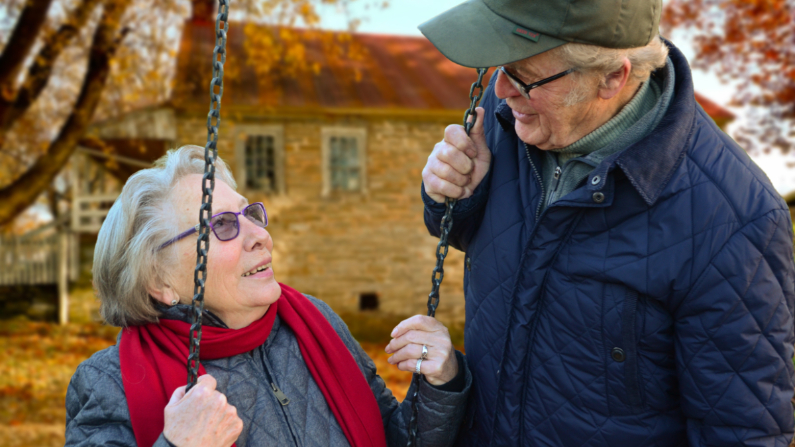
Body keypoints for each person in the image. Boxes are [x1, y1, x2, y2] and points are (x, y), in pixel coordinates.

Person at [419, 0, 795, 445]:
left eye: (523, 74)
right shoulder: (511, 116)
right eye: (498, 66)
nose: (501, 89)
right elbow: (475, 238)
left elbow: (741, 431)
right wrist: (455, 196)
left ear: (613, 78)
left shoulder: (733, 218)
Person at [65, 145, 470, 447]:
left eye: (250, 214)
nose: (260, 236)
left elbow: (394, 439)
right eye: (222, 225)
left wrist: (438, 383)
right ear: (160, 282)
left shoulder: (315, 322)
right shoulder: (108, 383)